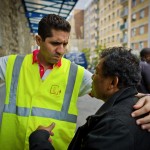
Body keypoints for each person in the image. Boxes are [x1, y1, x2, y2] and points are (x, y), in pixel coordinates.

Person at [0, 14, 150, 150]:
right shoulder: (11, 64)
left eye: (65, 44)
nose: (61, 50)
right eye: (55, 43)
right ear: (38, 40)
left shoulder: (77, 73)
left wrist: (147, 99)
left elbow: (120, 89)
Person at [29, 47, 150, 150]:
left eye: (97, 72)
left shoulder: (114, 126)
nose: (92, 77)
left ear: (113, 82)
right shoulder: (135, 107)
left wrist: (38, 140)